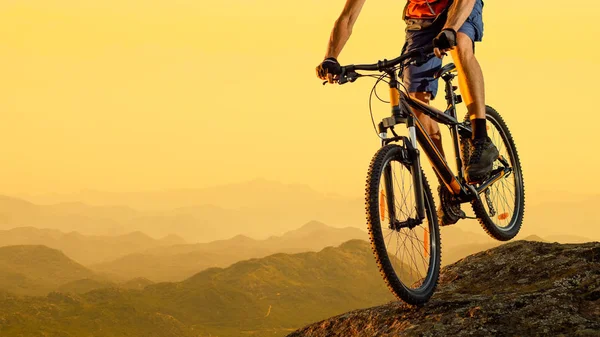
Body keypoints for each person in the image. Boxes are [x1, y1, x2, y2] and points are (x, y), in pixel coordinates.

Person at [315, 0, 499, 226]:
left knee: (460, 44)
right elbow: (347, 17)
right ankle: (448, 183)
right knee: (415, 104)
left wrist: (450, 28)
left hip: (458, 7)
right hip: (421, 22)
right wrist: (331, 57)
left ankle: (481, 137)